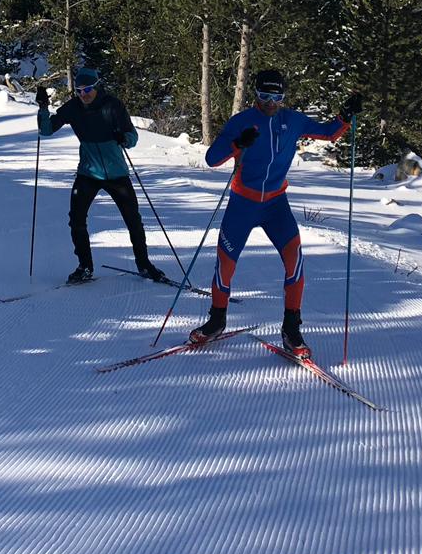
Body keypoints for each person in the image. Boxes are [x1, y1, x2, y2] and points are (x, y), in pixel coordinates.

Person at [191, 69, 361, 358]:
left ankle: (291, 329)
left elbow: (328, 132)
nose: (270, 102)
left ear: (284, 96)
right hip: (242, 204)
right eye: (264, 96)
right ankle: (217, 320)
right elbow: (211, 159)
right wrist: (236, 144)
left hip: (275, 205)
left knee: (295, 261)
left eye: (277, 97)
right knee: (225, 264)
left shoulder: (292, 120)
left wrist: (345, 116)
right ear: (255, 94)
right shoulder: (242, 122)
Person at [37, 65, 169, 286]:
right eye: (79, 91)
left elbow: (132, 137)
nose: (84, 95)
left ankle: (144, 264)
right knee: (76, 219)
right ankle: (85, 267)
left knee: (133, 220)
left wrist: (123, 138)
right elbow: (47, 129)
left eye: (87, 89)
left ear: (97, 87)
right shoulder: (73, 108)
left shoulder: (113, 105)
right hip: (88, 173)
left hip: (116, 173)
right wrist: (43, 107)